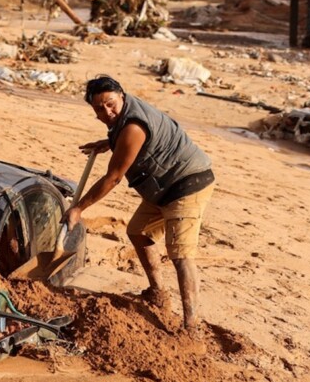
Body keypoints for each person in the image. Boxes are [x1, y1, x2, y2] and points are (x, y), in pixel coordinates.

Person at [63, 76, 216, 331]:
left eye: (111, 104)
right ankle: (157, 294)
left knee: (180, 254)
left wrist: (79, 208)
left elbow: (113, 178)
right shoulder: (125, 119)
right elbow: (129, 143)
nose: (107, 112)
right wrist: (109, 143)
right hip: (162, 186)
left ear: (122, 95)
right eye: (99, 108)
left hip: (187, 184)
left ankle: (191, 326)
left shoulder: (133, 127)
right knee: (138, 231)